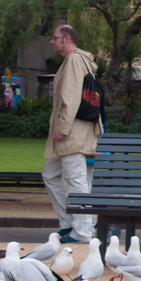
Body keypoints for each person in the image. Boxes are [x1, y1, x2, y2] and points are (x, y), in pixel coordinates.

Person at [42, 24, 100, 244]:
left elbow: (71, 96)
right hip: (75, 132)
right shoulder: (74, 61)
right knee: (51, 174)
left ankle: (83, 232)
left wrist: (62, 127)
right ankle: (68, 224)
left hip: (73, 134)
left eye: (55, 38)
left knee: (76, 181)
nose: (51, 41)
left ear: (66, 39)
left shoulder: (75, 60)